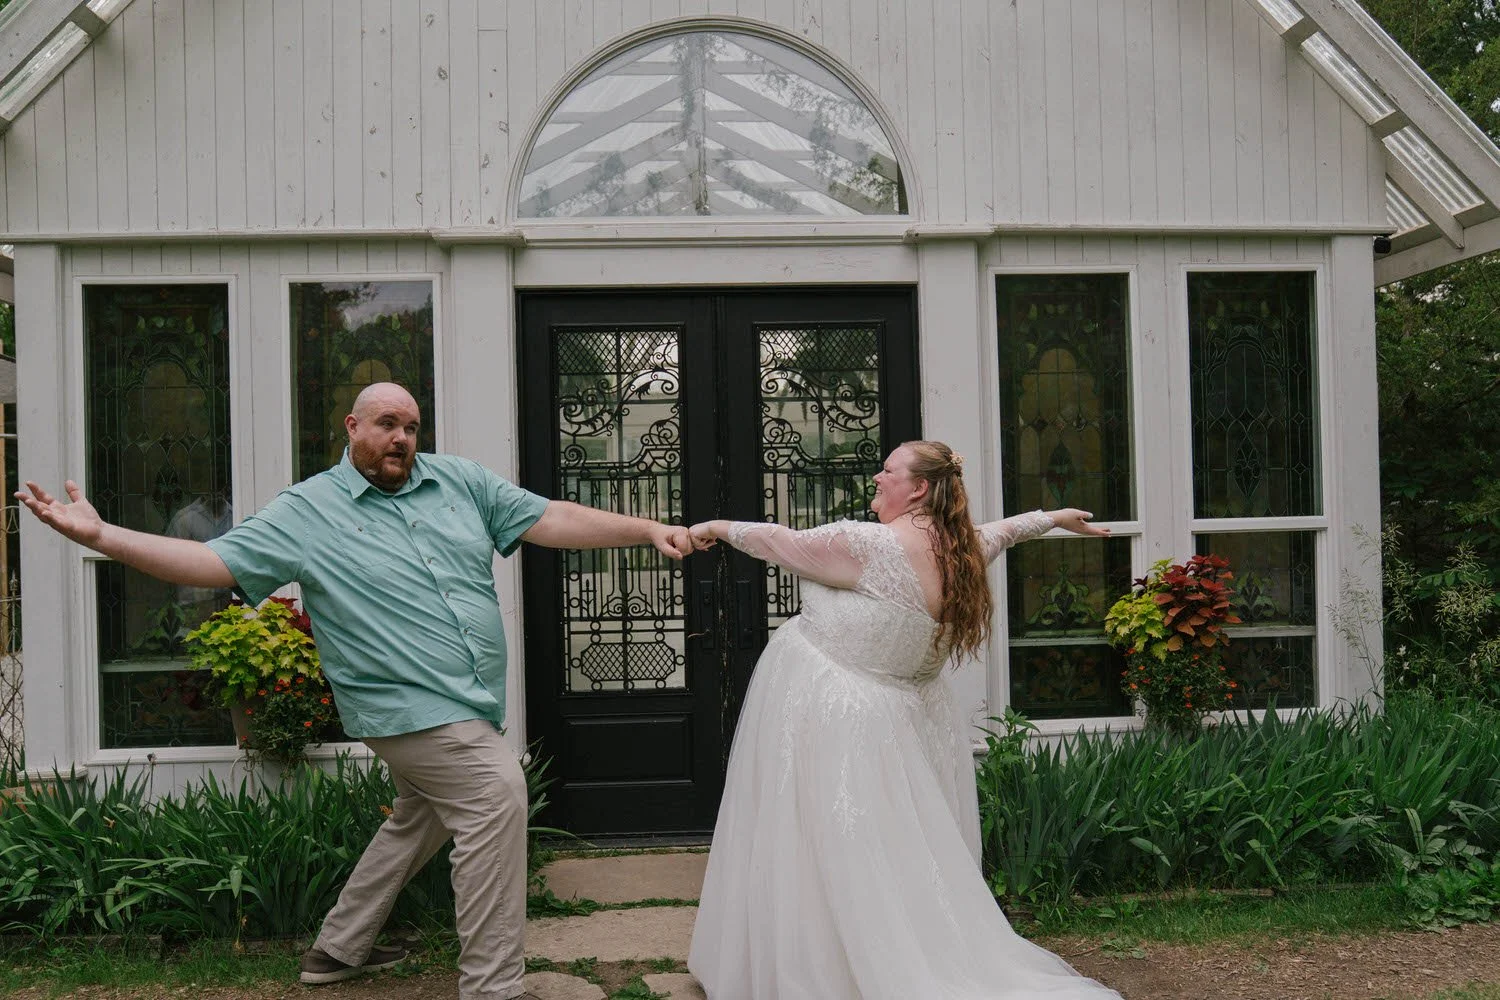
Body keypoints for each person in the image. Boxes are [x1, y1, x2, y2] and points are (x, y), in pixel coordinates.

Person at [17, 382, 692, 1000]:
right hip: (402, 707)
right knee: (496, 793)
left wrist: (645, 530)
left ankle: (338, 950)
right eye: (387, 423)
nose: (401, 437)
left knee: (420, 815)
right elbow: (209, 560)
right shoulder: (308, 510)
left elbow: (548, 518)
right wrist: (104, 536)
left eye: (412, 426)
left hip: (465, 700)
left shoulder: (459, 481)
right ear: (352, 426)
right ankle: (495, 986)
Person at [685, 440, 1123, 1000]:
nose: (876, 476)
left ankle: (830, 972)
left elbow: (781, 543)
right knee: (894, 845)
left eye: (887, 470)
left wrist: (717, 526)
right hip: (903, 715)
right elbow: (1005, 532)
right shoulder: (962, 549)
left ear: (918, 488)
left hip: (839, 715)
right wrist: (1052, 518)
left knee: (829, 842)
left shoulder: (870, 544)